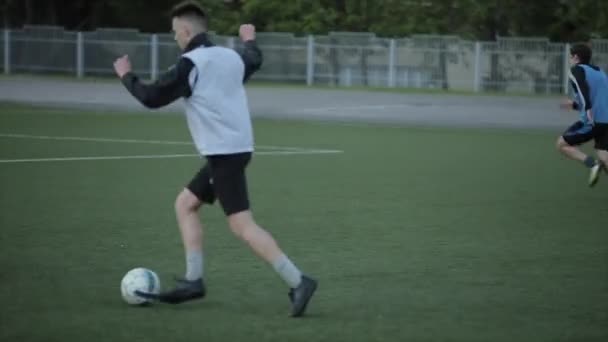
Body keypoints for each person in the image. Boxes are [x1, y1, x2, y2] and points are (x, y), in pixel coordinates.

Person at [112, 1, 317, 317]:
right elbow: (254, 58)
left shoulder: (190, 64)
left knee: (242, 225)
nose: (175, 38)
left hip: (225, 154)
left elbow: (152, 98)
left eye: (175, 33)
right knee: (185, 204)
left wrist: (126, 76)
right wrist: (248, 37)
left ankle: (299, 281)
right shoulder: (229, 57)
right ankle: (193, 281)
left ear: (185, 30)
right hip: (234, 149)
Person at [556, 43, 608, 187]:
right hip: (606, 120)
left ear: (576, 57)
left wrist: (589, 116)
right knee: (604, 155)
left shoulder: (576, 70)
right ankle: (598, 164)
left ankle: (592, 165)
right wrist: (574, 105)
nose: (570, 60)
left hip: (592, 121)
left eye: (571, 57)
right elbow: (600, 99)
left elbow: (585, 93)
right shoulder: (600, 72)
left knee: (561, 144)